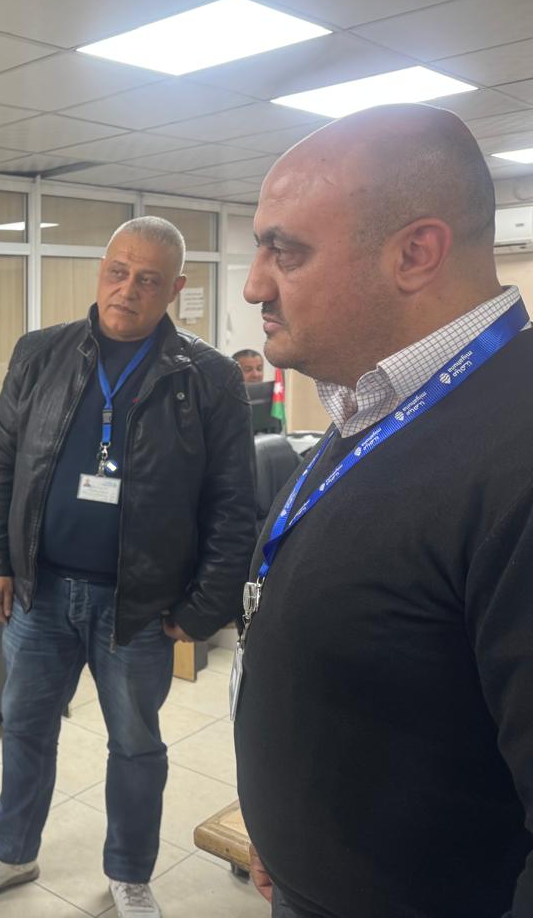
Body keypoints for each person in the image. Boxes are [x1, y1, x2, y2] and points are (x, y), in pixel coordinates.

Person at [235, 103, 533, 918]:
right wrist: (286, 825)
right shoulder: (372, 400)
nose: (255, 285)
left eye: (285, 251)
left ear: (415, 253)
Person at [0, 217, 256, 917]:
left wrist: (204, 608)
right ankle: (11, 850)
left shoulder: (207, 376)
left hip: (139, 605)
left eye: (149, 279)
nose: (128, 289)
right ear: (100, 269)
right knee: (26, 728)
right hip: (41, 592)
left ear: (175, 288)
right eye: (118, 272)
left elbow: (234, 504)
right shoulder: (40, 352)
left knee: (136, 745)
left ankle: (129, 873)